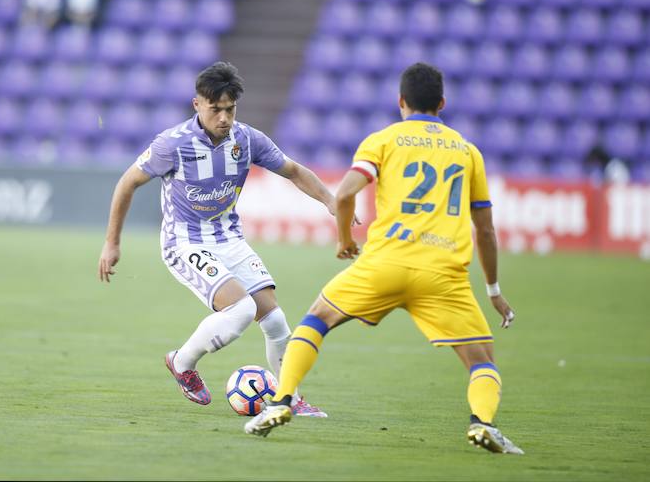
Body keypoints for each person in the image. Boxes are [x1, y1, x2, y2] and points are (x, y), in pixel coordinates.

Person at [244, 63, 523, 455]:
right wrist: (493, 289)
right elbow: (486, 230)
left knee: (317, 319)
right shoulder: (467, 152)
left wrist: (344, 240)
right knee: (483, 361)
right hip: (444, 274)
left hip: (384, 263)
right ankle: (482, 423)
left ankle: (282, 400)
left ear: (401, 102)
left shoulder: (384, 140)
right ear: (442, 103)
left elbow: (343, 195)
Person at [98, 62, 335, 417]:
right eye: (216, 109)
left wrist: (332, 202)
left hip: (228, 238)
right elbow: (126, 183)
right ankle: (182, 362)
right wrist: (112, 242)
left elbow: (294, 171)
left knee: (275, 322)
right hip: (185, 243)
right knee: (241, 310)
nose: (224, 118)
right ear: (197, 104)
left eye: (230, 109)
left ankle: (289, 398)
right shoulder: (172, 144)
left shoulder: (248, 139)